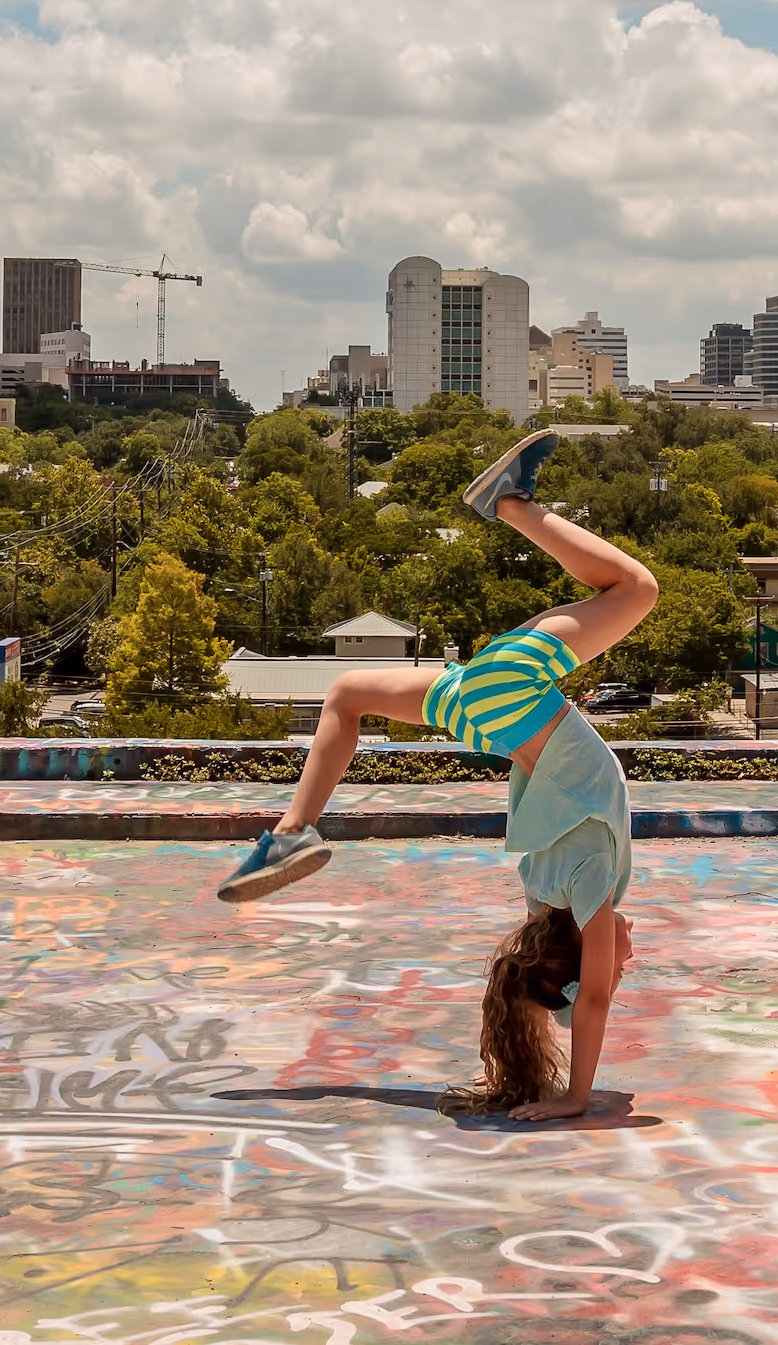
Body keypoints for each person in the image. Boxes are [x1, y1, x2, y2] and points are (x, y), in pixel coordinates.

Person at [214, 428, 657, 1123]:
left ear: (580, 956)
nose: (630, 960)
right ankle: (288, 834)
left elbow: (592, 997)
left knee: (636, 587)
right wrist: (536, 1028)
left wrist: (575, 1097)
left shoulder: (590, 890)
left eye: (618, 962)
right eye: (624, 965)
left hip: (514, 698)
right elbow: (550, 979)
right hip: (487, 721)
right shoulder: (544, 887)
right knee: (346, 698)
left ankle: (510, 504)